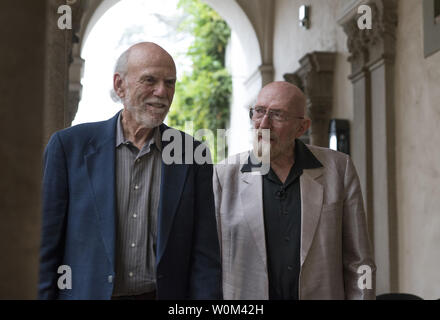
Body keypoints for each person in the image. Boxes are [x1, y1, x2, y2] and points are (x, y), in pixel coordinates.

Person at [38, 42, 222, 300]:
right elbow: (45, 246)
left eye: (170, 83)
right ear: (119, 85)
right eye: (149, 80)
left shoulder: (192, 154)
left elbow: (205, 254)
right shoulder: (68, 147)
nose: (161, 91)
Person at [213, 81, 376, 300]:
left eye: (277, 115)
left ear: (302, 127)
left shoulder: (339, 169)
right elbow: (209, 262)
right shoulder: (224, 176)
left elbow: (360, 261)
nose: (263, 125)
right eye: (259, 112)